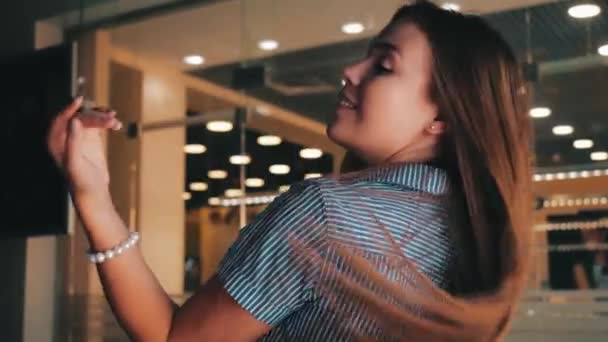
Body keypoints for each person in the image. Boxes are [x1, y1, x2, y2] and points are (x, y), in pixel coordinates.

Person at [47, 1, 532, 341]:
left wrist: (91, 191)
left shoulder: (327, 214)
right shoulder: (472, 230)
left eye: (384, 66)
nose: (352, 71)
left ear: (441, 116)